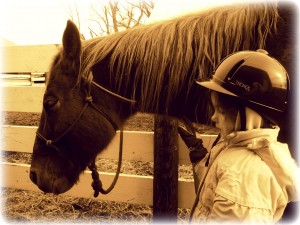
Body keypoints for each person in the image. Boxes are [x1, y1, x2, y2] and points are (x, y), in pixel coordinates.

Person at [178, 49, 298, 223]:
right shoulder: (241, 149)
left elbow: (234, 191)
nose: (213, 118)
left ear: (248, 114)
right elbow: (216, 187)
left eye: (220, 110)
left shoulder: (245, 179)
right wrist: (198, 155)